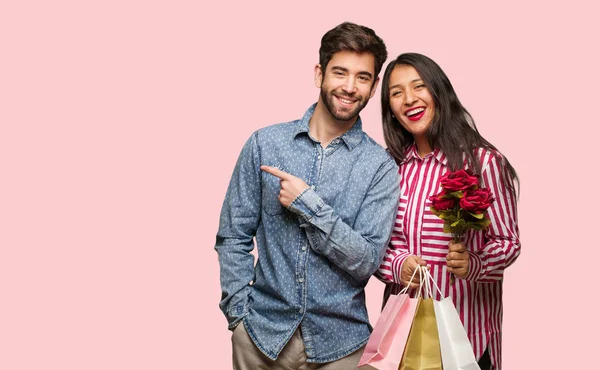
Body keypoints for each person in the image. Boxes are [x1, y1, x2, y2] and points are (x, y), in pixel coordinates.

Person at [215, 22, 400, 370]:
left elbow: (367, 260)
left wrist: (307, 205)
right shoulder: (265, 144)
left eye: (362, 77)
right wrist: (239, 316)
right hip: (261, 339)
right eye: (340, 72)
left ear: (374, 87)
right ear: (319, 74)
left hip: (342, 346)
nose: (349, 87)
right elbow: (232, 236)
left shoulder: (380, 167)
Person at [375, 53, 521, 370]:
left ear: (439, 91)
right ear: (391, 110)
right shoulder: (389, 167)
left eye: (419, 86)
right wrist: (398, 264)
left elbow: (508, 242)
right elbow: (374, 242)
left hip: (467, 335)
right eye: (396, 93)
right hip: (404, 338)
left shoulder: (483, 162)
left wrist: (474, 263)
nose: (409, 99)